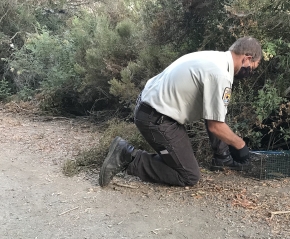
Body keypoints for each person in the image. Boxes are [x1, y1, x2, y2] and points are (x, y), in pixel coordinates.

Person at [99, 37, 262, 187]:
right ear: (247, 58)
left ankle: (222, 159)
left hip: (150, 108)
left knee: (214, 121)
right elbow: (215, 126)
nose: (250, 73)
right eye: (252, 68)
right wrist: (240, 145)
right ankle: (128, 157)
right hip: (156, 118)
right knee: (189, 176)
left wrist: (224, 156)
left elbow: (214, 115)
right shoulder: (221, 74)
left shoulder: (214, 58)